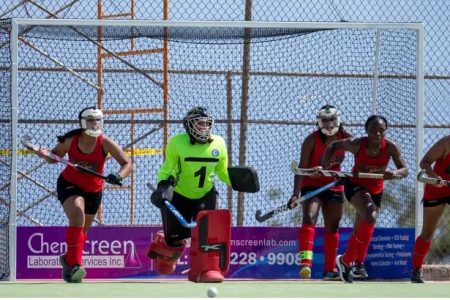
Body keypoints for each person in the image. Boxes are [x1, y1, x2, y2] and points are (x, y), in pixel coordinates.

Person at [33, 107, 132, 283]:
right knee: (77, 214)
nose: (94, 124)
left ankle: (68, 260)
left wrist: (118, 175)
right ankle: (76, 266)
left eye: (97, 120)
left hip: (94, 191)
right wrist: (44, 154)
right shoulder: (71, 140)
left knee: (82, 232)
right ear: (82, 122)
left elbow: (127, 164)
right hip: (70, 184)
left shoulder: (105, 142)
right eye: (91, 120)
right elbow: (53, 157)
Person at [148, 106, 232, 283]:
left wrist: (238, 182)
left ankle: (207, 270)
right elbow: (167, 169)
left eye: (206, 124)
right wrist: (161, 188)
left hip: (205, 194)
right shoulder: (177, 142)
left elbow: (222, 171)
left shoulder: (219, 143)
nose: (203, 127)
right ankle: (165, 242)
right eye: (199, 123)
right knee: (173, 241)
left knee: (207, 234)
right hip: (179, 194)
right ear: (189, 126)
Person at [321, 114, 408, 283]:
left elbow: (404, 169)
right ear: (366, 131)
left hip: (376, 190)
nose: (377, 134)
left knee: (359, 229)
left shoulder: (391, 147)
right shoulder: (357, 144)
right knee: (370, 215)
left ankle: (345, 261)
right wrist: (325, 166)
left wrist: (395, 173)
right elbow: (333, 146)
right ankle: (359, 264)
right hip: (355, 186)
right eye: (373, 130)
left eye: (381, 130)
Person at [288, 105, 352, 281]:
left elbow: (361, 155)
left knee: (333, 226)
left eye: (332, 120)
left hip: (334, 185)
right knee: (310, 217)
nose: (329, 124)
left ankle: (330, 270)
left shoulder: (346, 138)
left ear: (338, 120)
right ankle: (305, 264)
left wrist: (348, 176)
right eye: (325, 120)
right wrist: (295, 194)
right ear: (319, 122)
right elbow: (301, 169)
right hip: (312, 185)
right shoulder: (311, 140)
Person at [411, 135, 450, 283]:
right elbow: (424, 162)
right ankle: (416, 269)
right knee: (427, 233)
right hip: (436, 190)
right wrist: (434, 176)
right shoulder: (446, 143)